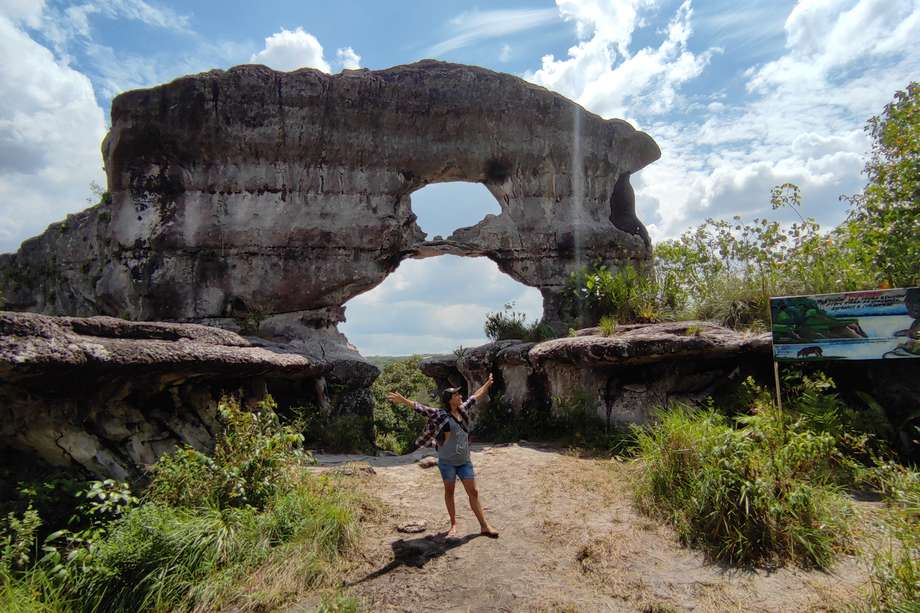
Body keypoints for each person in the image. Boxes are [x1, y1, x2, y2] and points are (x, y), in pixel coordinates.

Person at [387, 374, 499, 540]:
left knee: (473, 492)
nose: (461, 396)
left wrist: (487, 384)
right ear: (449, 399)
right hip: (447, 463)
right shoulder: (440, 414)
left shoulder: (463, 409)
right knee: (450, 491)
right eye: (457, 395)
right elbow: (421, 408)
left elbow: (476, 396)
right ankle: (453, 524)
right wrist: (403, 400)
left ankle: (484, 525)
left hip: (464, 461)